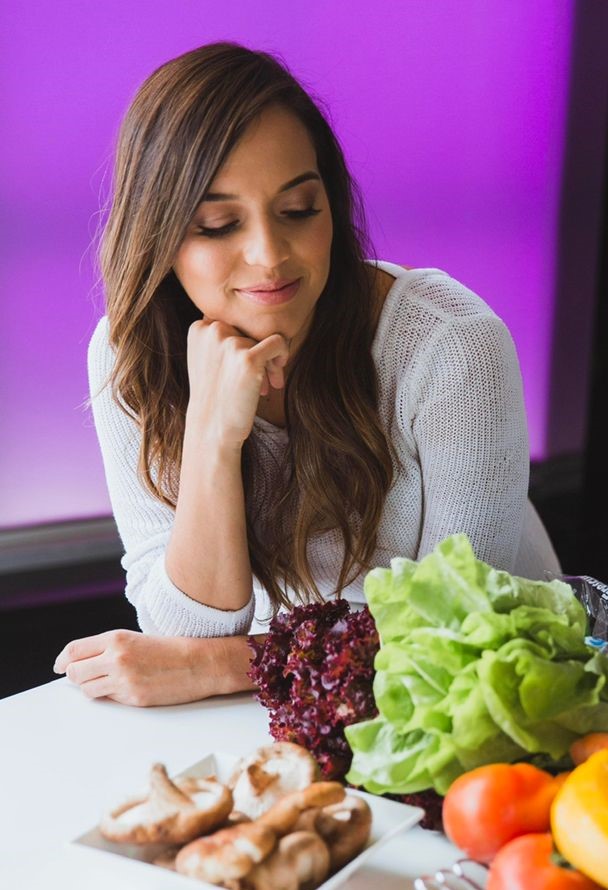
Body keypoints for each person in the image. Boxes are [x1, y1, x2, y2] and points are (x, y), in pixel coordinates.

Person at [54, 42, 560, 706]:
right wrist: (212, 434)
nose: (269, 256)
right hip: (293, 708)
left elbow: (458, 627)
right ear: (157, 236)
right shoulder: (131, 355)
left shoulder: (451, 347)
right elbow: (182, 626)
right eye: (217, 224)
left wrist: (221, 667)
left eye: (299, 210)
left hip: (487, 705)